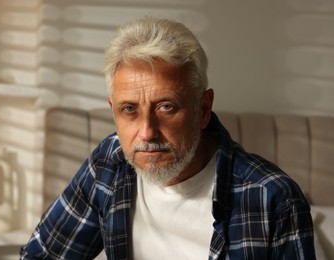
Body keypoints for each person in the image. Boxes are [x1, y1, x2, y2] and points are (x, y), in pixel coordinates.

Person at [20, 16, 315, 259]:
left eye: (166, 107)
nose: (147, 132)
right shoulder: (108, 164)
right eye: (129, 109)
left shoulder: (273, 199)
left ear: (203, 109)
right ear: (114, 112)